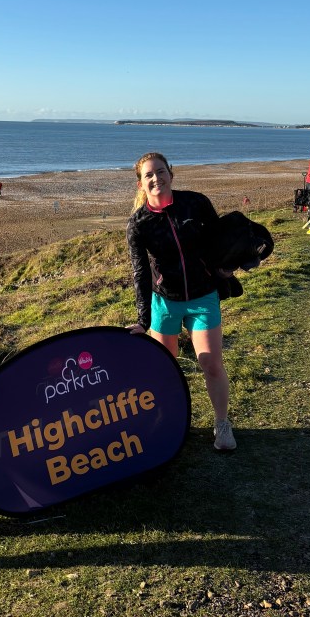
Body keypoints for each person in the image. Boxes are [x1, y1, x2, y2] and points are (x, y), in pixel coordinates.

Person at [126, 152, 237, 452]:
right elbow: (140, 273)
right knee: (163, 368)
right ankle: (168, 422)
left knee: (211, 363)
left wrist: (226, 268)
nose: (155, 178)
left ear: (171, 174)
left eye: (160, 172)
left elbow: (219, 243)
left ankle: (222, 424)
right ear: (140, 183)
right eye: (148, 175)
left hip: (203, 297)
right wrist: (143, 319)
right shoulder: (139, 223)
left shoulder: (195, 203)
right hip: (165, 302)